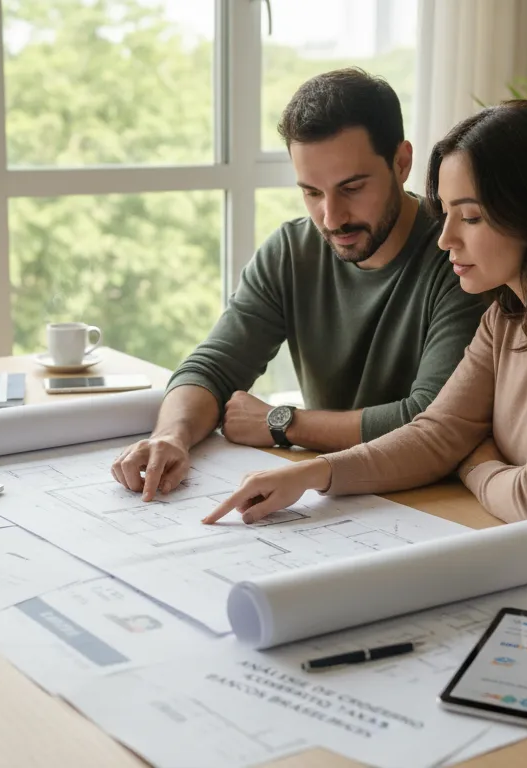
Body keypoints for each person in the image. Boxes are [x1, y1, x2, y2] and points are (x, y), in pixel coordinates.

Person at [203, 99, 527, 528]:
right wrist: (312, 476)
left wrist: (474, 461)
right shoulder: (509, 314)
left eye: (470, 216)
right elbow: (436, 434)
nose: (447, 238)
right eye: (445, 214)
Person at [110, 68, 484, 502]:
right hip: (330, 492)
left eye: (352, 187)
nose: (331, 217)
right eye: (311, 192)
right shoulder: (291, 251)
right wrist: (172, 436)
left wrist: (282, 422)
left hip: (431, 499)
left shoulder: (459, 256)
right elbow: (213, 368)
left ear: (401, 163)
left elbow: (431, 420)